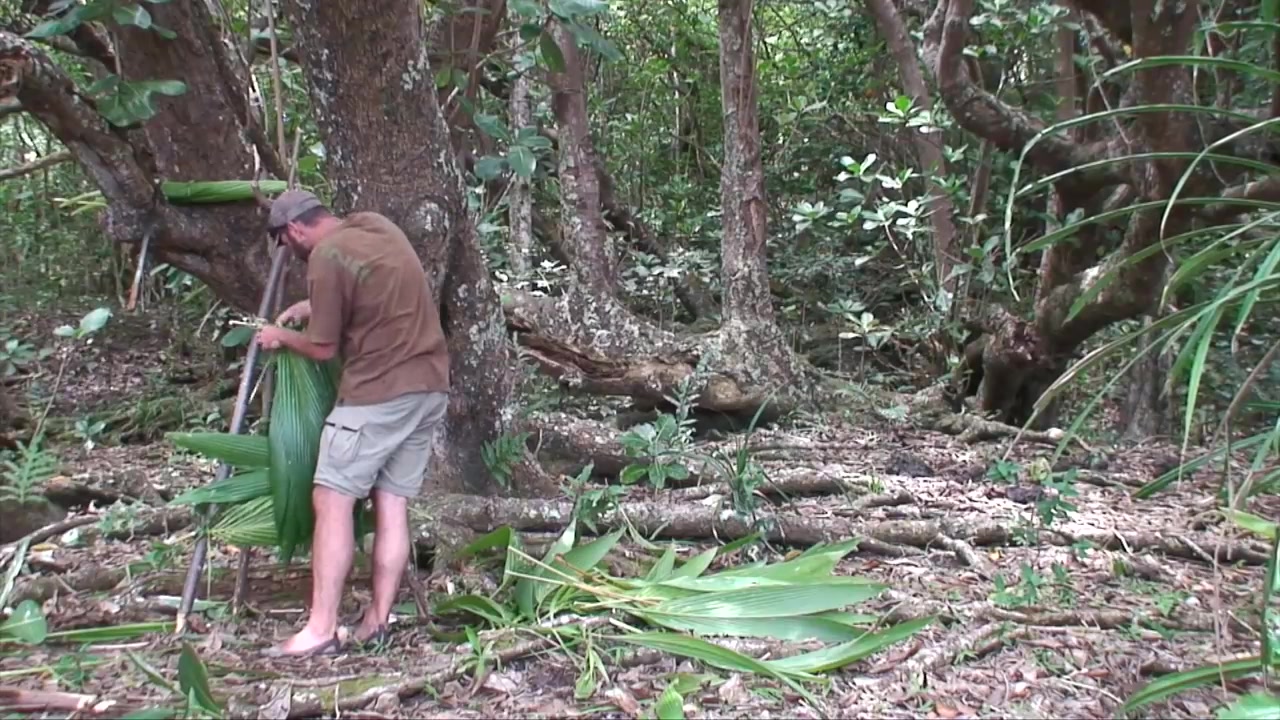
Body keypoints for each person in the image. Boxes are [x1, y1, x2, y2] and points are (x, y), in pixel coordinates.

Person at [254, 190, 450, 657]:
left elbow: (322, 348)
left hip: (378, 394)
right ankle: (377, 621)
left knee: (332, 498)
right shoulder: (374, 225)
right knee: (392, 502)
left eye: (285, 243)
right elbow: (371, 289)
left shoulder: (324, 256)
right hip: (429, 387)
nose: (289, 252)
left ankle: (320, 629)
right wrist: (310, 306)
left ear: (296, 230)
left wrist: (280, 335)